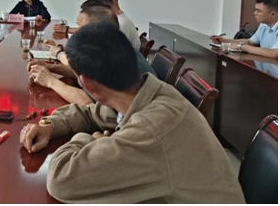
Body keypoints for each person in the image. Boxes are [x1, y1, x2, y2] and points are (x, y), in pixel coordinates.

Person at [20, 23, 245, 204]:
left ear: (86, 84)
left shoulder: (152, 129)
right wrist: (50, 125)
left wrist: (91, 141)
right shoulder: (147, 91)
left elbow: (61, 180)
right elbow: (91, 113)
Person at [29, 4, 156, 105]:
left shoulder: (113, 59)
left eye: (81, 29)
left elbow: (87, 102)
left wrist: (50, 81)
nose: (76, 33)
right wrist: (50, 68)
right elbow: (83, 72)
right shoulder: (112, 48)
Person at [212, 0, 278, 59]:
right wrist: (225, 41)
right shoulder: (264, 25)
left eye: (259, 11)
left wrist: (241, 46)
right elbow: (250, 42)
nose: (255, 13)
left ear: (273, 14)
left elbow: (274, 53)